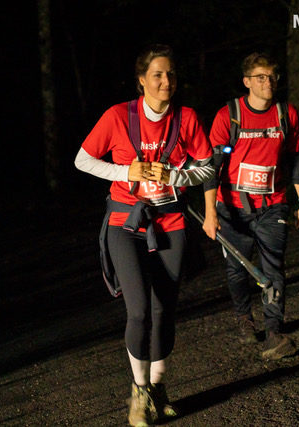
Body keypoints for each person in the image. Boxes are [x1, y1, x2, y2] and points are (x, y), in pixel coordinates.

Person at [75, 44, 215, 426]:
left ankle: (157, 387)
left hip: (170, 222)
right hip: (126, 223)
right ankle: (138, 393)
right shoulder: (119, 116)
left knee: (164, 310)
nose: (165, 81)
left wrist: (177, 176)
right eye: (157, 74)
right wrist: (126, 173)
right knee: (138, 311)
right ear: (141, 81)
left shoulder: (186, 118)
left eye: (170, 74)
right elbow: (82, 159)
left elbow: (207, 167)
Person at [202, 52, 299, 360]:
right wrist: (210, 213)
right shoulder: (229, 115)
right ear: (247, 81)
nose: (268, 82)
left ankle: (274, 331)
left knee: (274, 267)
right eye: (261, 77)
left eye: (272, 76)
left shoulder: (285, 114)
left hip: (273, 205)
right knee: (237, 270)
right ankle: (244, 319)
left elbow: (295, 158)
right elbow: (213, 166)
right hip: (232, 206)